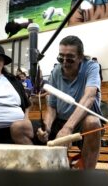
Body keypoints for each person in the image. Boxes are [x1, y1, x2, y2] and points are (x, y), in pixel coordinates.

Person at [37, 35, 102, 169]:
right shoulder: (55, 71)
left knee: (93, 123)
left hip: (82, 121)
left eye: (70, 59)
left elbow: (89, 96)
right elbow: (52, 106)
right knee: (30, 130)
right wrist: (47, 127)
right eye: (61, 58)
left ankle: (87, 177)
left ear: (80, 57)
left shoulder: (92, 67)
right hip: (60, 121)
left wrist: (68, 128)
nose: (65, 62)